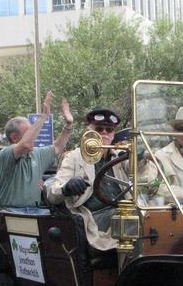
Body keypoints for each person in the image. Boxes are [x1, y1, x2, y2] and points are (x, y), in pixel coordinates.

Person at [48, 107, 127, 251]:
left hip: (122, 212)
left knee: (146, 215)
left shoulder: (122, 156)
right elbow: (53, 194)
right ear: (89, 132)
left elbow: (147, 179)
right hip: (93, 217)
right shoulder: (74, 157)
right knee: (129, 218)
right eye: (99, 128)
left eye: (109, 130)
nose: (104, 133)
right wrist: (66, 188)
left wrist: (141, 159)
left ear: (113, 134)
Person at [0, 91, 73, 213]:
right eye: (29, 133)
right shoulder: (5, 154)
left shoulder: (36, 154)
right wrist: (44, 116)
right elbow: (26, 144)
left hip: (36, 210)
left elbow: (58, 147)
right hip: (11, 211)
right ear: (15, 138)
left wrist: (68, 125)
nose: (34, 137)